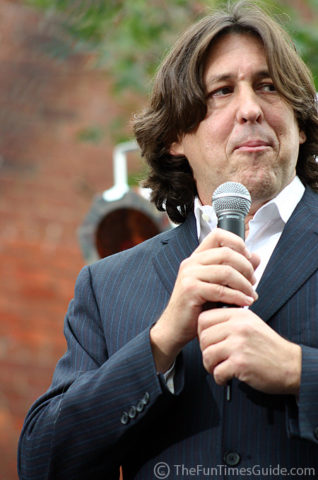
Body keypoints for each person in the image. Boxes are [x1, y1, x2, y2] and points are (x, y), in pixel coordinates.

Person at [18, 0, 318, 478]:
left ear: (300, 123)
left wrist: (299, 372)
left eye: (268, 86)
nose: (250, 108)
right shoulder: (107, 285)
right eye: (222, 91)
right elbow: (43, 462)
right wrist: (158, 344)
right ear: (177, 133)